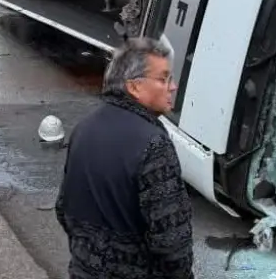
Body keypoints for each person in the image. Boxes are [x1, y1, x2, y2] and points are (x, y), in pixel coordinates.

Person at [55, 37, 194, 279]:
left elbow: (64, 209)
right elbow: (172, 243)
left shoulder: (83, 129)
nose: (173, 87)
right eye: (163, 79)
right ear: (134, 87)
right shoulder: (153, 144)